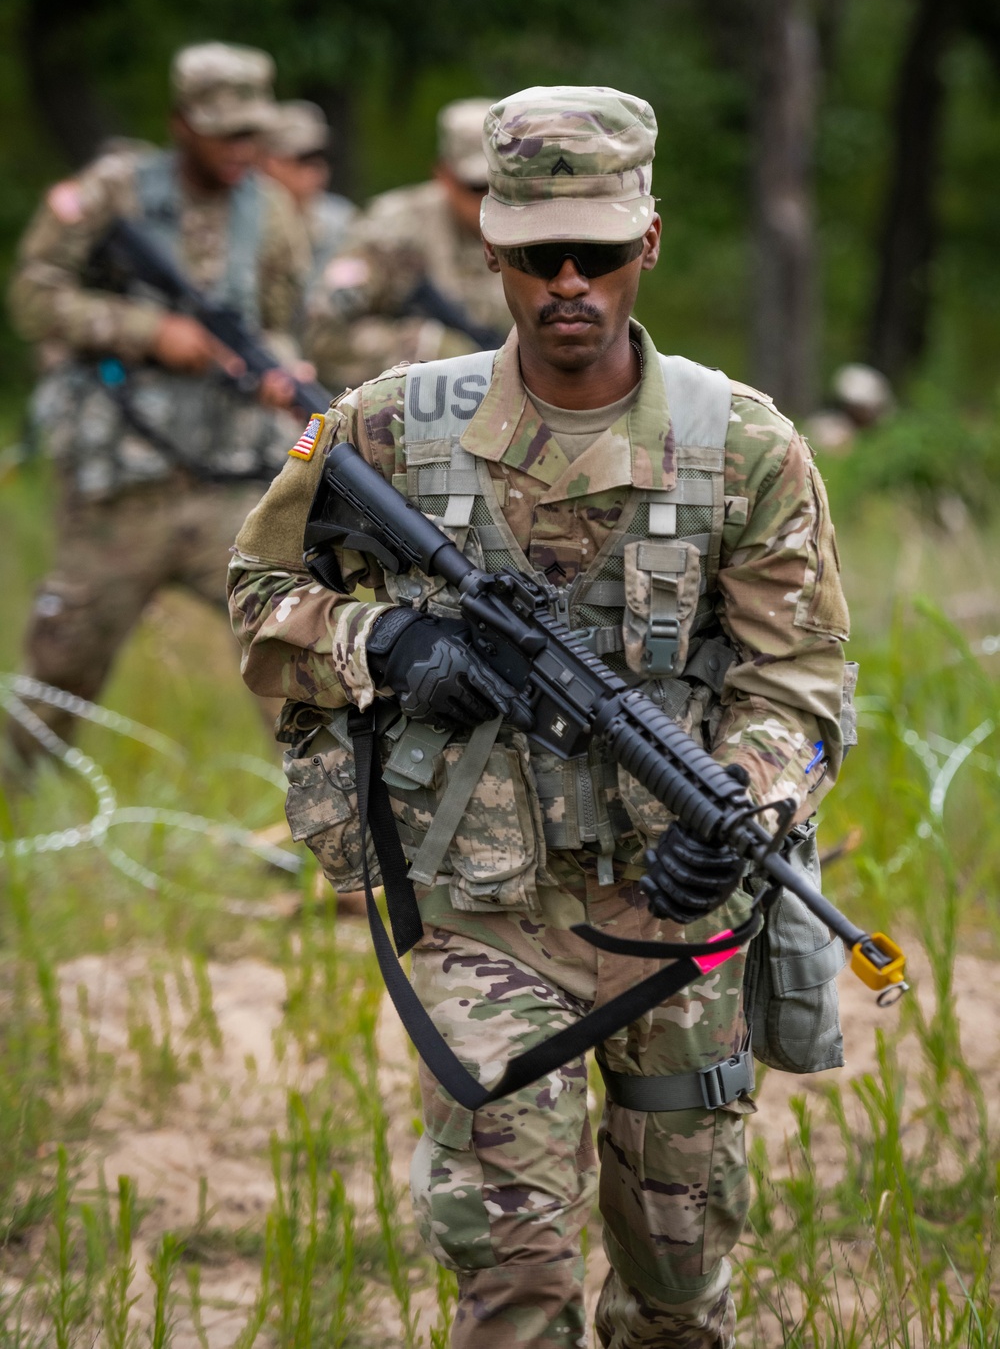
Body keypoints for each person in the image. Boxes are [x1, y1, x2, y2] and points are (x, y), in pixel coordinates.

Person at [229, 85, 851, 1348]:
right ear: (492, 251)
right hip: (481, 906)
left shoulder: (742, 447)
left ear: (650, 245)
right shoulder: (391, 425)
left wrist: (747, 807)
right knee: (512, 1272)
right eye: (534, 256)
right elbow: (257, 595)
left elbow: (802, 681)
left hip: (680, 914)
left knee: (678, 1284)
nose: (569, 283)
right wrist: (383, 640)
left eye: (600, 253)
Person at [7, 41, 313, 761]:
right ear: (181, 123)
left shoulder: (271, 214)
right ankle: (13, 818)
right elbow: (32, 299)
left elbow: (279, 322)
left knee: (291, 651)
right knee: (60, 668)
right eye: (225, 132)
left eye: (253, 134)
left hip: (228, 486)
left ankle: (330, 831)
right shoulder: (113, 192)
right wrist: (148, 331)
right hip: (122, 491)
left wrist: (273, 368)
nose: (241, 149)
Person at [302, 96, 512, 391]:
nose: (490, 199)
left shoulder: (540, 227)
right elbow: (324, 335)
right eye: (476, 187)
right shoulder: (393, 229)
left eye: (503, 184)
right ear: (443, 175)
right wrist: (419, 346)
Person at [260, 100, 357, 274]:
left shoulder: (340, 220)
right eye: (305, 160)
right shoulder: (249, 217)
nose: (318, 169)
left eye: (323, 158)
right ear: (272, 162)